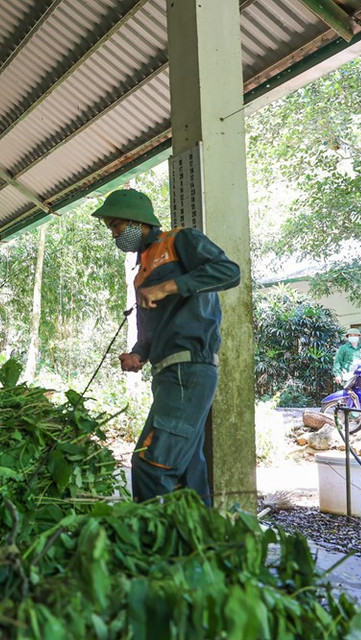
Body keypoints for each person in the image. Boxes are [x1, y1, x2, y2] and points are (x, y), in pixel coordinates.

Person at [92, 189, 240, 506]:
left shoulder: (180, 240)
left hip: (189, 370)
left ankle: (150, 545)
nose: (115, 234)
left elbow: (229, 272)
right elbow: (152, 328)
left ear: (137, 221)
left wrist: (167, 285)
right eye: (111, 228)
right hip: (167, 374)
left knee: (150, 464)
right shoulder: (141, 269)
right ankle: (202, 545)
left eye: (116, 225)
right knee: (189, 473)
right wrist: (138, 354)